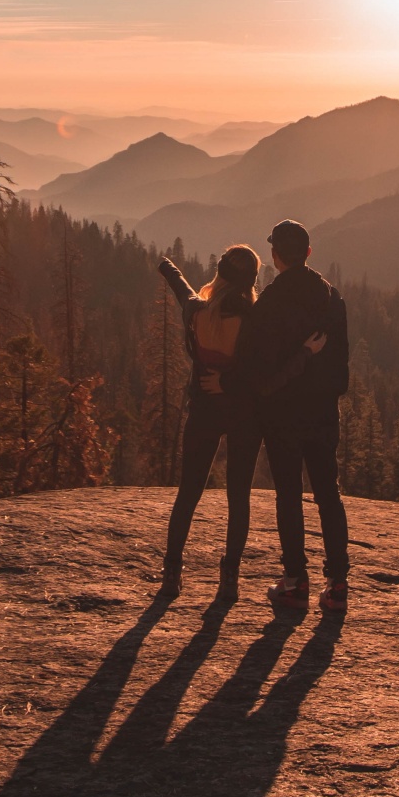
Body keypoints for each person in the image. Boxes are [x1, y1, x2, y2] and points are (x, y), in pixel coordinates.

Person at [238, 219, 351, 617]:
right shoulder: (331, 299)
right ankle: (338, 585)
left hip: (283, 417)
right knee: (328, 495)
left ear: (275, 256)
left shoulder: (268, 305)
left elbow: (260, 376)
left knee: (289, 496)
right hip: (322, 414)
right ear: (307, 253)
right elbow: (342, 370)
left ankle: (294, 582)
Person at [155, 245, 263, 601]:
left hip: (205, 409)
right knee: (239, 498)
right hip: (245, 414)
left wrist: (167, 267)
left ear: (220, 276)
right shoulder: (255, 320)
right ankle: (229, 578)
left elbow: (182, 290)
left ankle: (172, 572)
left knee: (188, 493)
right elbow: (261, 368)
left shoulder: (198, 312)